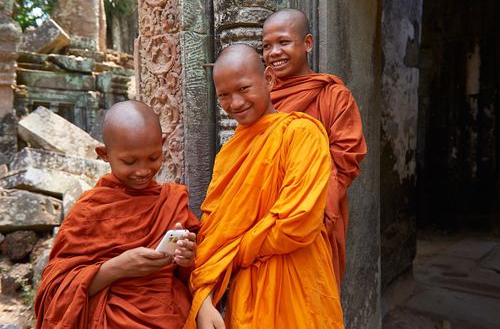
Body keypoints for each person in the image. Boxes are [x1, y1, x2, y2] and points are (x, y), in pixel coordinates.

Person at [184, 44, 343, 329]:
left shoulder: (302, 134)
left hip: (300, 282)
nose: (235, 103)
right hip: (248, 290)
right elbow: (214, 230)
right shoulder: (230, 153)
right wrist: (204, 299)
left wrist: (237, 249)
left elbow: (298, 222)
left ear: (268, 80)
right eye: (224, 95)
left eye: (244, 89)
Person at [35, 100, 199, 328]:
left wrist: (187, 259)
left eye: (153, 158)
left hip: (169, 316)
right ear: (104, 154)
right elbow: (55, 289)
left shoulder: (172, 200)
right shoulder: (89, 210)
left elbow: (193, 275)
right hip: (108, 319)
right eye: (129, 162)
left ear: (163, 145)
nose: (143, 170)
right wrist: (115, 268)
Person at [262, 8, 367, 289]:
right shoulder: (260, 97)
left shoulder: (334, 96)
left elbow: (346, 159)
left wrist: (305, 209)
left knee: (312, 298)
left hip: (317, 216)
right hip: (264, 218)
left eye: (283, 42)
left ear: (307, 43)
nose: (274, 53)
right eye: (266, 46)